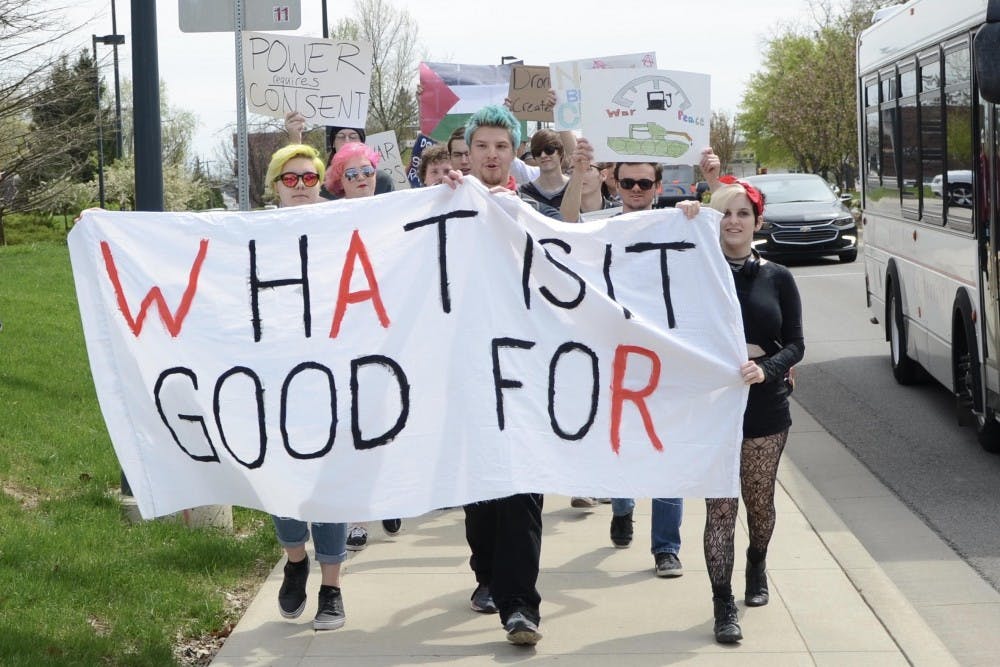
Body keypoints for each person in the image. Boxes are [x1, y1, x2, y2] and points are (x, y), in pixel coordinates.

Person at [438, 104, 560, 647]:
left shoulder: (535, 212)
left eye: (501, 147)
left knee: (522, 489)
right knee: (481, 493)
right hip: (465, 371)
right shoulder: (443, 206)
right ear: (470, 151)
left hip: (523, 370)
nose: (491, 155)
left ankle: (520, 606)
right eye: (482, 147)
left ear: (515, 155)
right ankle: (487, 573)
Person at [698, 147, 805, 643]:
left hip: (764, 405)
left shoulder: (777, 277)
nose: (734, 221)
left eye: (743, 213)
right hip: (712, 407)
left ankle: (756, 564)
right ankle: (723, 606)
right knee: (721, 509)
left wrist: (768, 367)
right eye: (725, 213)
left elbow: (798, 343)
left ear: (757, 223)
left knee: (758, 505)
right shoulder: (695, 272)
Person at [262, 143, 348, 631]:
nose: (299, 187)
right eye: (290, 179)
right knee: (282, 479)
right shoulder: (250, 231)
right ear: (275, 185)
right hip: (273, 378)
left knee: (329, 481)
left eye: (309, 178)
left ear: (321, 183)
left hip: (333, 375)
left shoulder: (345, 226)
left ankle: (331, 589)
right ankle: (296, 559)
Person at [320, 141, 405, 550]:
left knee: (384, 424)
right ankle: (358, 515)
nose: (361, 180)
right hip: (342, 337)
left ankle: (387, 493)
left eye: (366, 172)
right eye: (351, 174)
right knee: (350, 427)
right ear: (339, 182)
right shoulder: (326, 219)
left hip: (388, 335)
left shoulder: (397, 215)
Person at [606, 162, 685, 580]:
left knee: (665, 448)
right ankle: (621, 506)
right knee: (621, 440)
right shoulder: (597, 231)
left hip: (666, 356)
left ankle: (666, 547)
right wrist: (579, 167)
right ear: (614, 185)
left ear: (658, 186)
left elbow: (728, 227)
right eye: (627, 182)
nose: (636, 189)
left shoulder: (680, 225)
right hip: (614, 354)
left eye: (644, 182)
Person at [283, 111, 394, 199]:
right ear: (333, 145)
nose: (347, 141)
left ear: (362, 143)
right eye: (340, 136)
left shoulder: (383, 181)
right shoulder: (320, 184)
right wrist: (295, 138)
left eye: (353, 136)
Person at [517, 128, 570, 208]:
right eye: (537, 152)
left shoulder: (575, 188)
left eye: (549, 150)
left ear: (560, 152)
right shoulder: (524, 192)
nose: (543, 155)